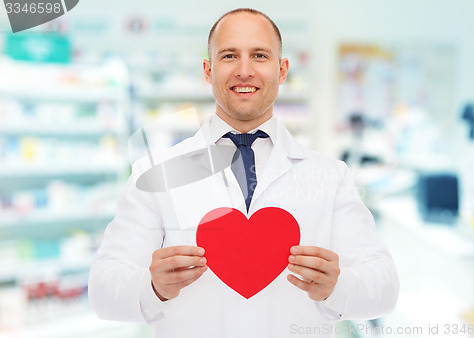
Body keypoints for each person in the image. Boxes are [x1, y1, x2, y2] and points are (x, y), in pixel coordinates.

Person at [88, 8, 399, 337]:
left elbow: (385, 287)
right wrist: (152, 287)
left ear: (282, 71)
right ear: (208, 70)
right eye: (229, 55)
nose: (245, 70)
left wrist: (338, 286)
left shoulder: (330, 176)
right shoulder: (155, 172)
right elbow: (102, 290)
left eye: (260, 55)